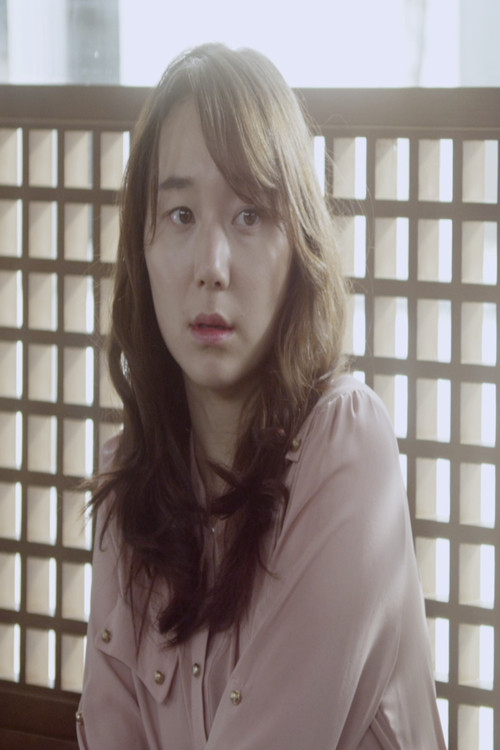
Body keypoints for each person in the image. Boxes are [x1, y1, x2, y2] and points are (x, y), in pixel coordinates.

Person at [76, 43, 446, 749]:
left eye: (249, 215)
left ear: (296, 249)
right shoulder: (129, 485)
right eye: (180, 214)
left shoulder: (347, 445)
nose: (211, 266)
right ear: (141, 250)